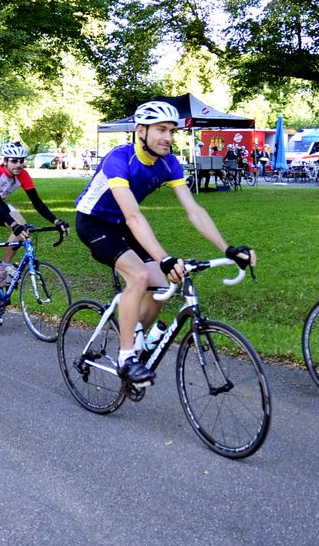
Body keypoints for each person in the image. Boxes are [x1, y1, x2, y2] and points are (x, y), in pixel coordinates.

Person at [75, 101, 256, 385]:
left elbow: (193, 210)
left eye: (171, 131)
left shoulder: (169, 162)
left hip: (123, 224)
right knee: (139, 275)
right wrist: (164, 257)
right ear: (141, 131)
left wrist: (227, 248)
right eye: (161, 130)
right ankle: (125, 358)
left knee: (162, 285)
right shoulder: (119, 159)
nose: (168, 138)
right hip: (94, 222)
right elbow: (134, 215)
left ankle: (136, 340)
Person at [0, 141, 70, 325]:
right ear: (5, 161)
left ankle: (4, 266)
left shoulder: (23, 175)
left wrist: (56, 220)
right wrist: (12, 225)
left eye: (22, 161)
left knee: (23, 224)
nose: (19, 165)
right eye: (14, 161)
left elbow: (37, 202)